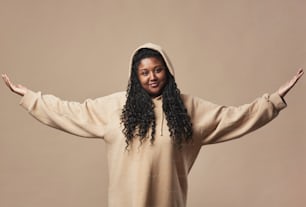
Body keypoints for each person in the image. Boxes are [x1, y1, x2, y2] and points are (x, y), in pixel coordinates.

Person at [2, 43, 304, 207]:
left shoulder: (188, 109)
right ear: (136, 77)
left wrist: (273, 99)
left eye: (158, 70)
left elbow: (233, 117)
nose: (152, 77)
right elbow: (70, 112)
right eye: (144, 72)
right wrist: (31, 97)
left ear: (168, 73)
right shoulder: (115, 106)